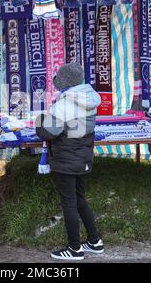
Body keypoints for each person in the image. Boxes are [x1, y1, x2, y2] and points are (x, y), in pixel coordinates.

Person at [35, 63, 104, 261]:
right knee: (80, 199)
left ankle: (74, 249)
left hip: (66, 157)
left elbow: (49, 131)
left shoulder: (65, 104)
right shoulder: (88, 98)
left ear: (64, 82)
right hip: (82, 156)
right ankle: (94, 241)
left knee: (69, 203)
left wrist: (40, 119)